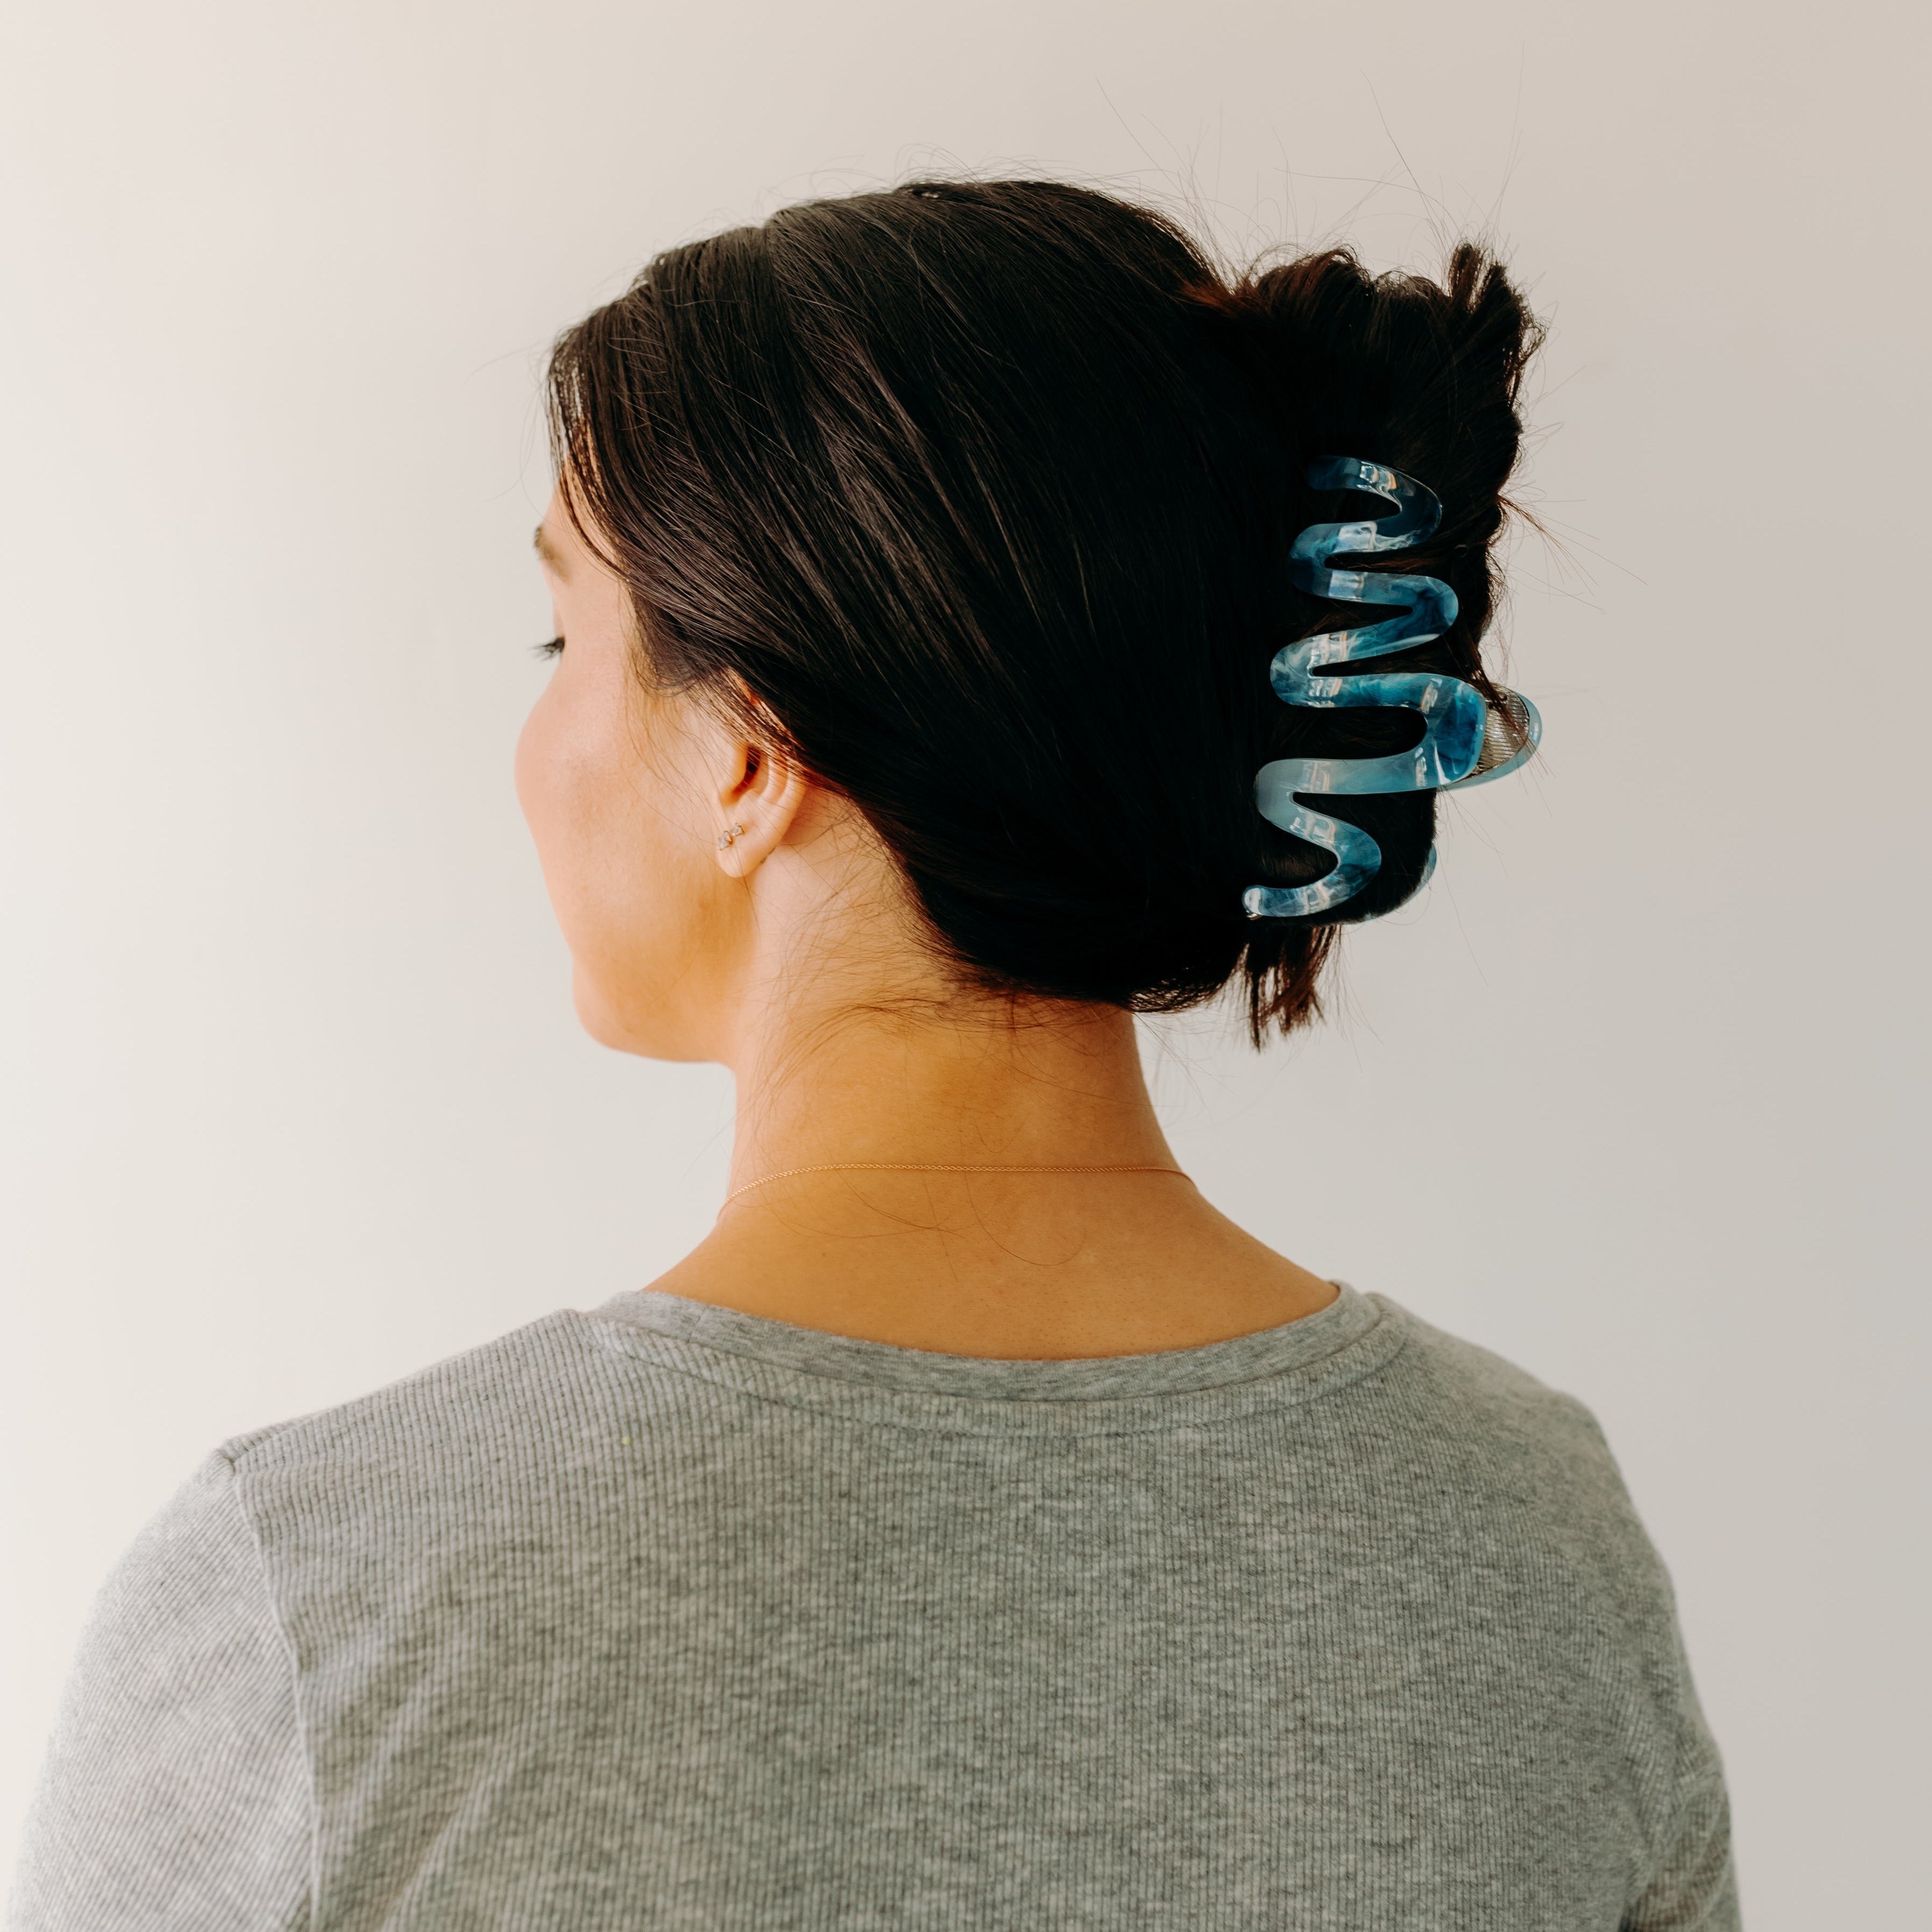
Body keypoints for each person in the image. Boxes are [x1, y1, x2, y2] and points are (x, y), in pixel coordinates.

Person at [6, 179, 1740, 1930]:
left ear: (753, 746)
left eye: (568, 640)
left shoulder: (312, 1599)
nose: (534, 739)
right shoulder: (1535, 1541)